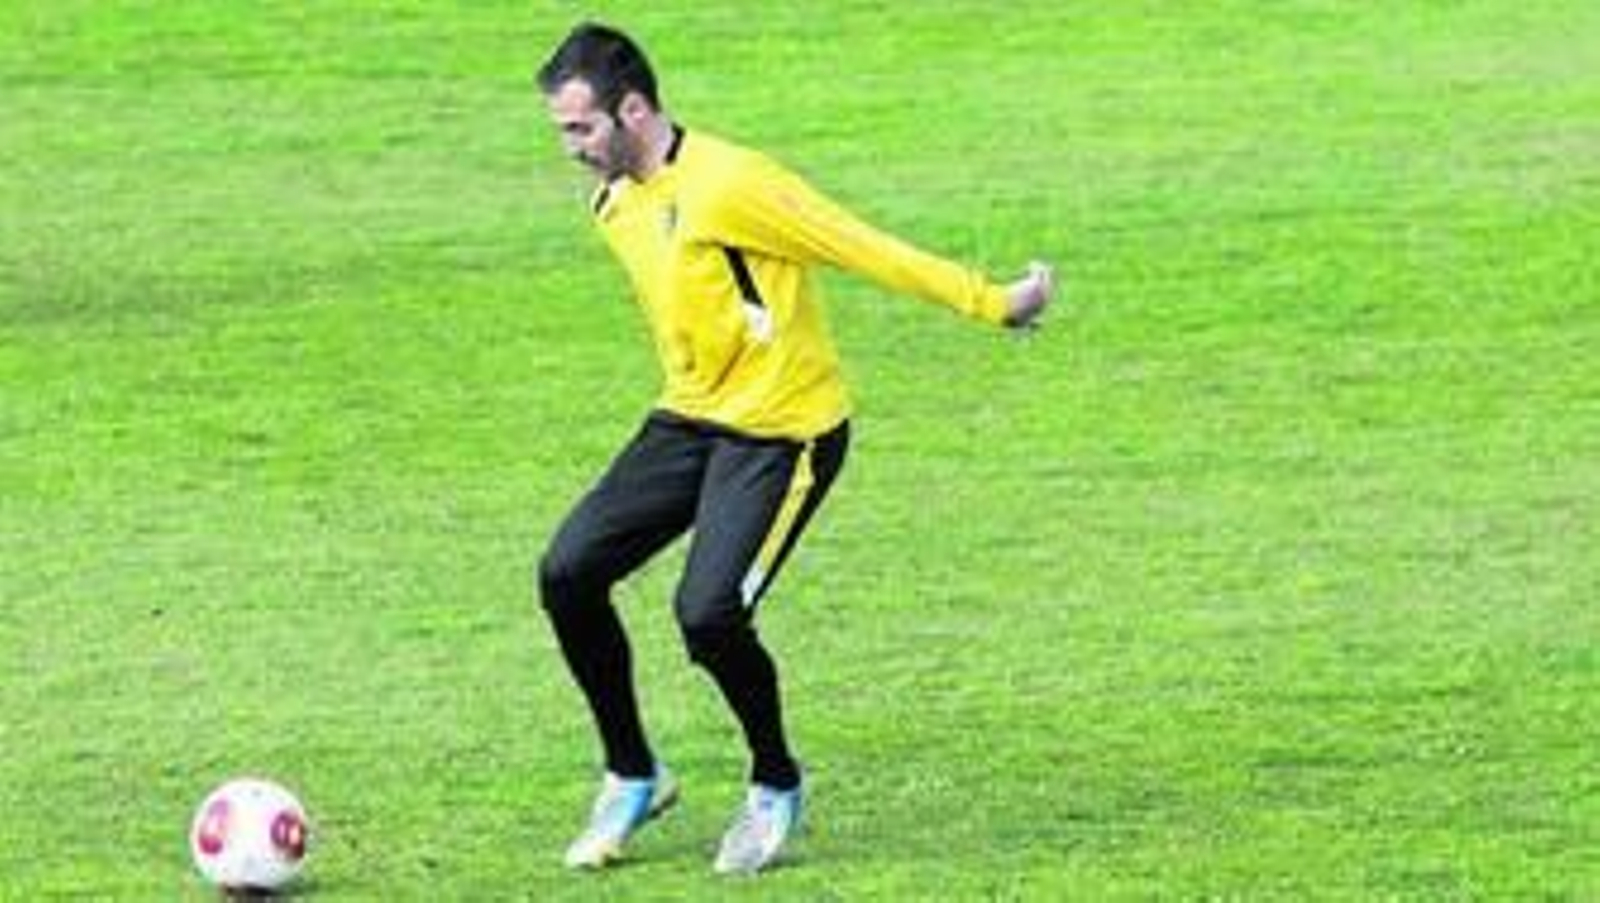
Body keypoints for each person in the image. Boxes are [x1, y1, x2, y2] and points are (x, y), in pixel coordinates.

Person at [534, 22, 1054, 875]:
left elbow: (860, 246)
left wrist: (995, 302)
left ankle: (775, 781)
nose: (572, 149)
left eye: (581, 129)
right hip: (692, 419)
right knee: (566, 572)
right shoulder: (614, 201)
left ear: (633, 109)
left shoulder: (733, 185)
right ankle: (633, 770)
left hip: (785, 434)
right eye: (563, 132)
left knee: (707, 615)